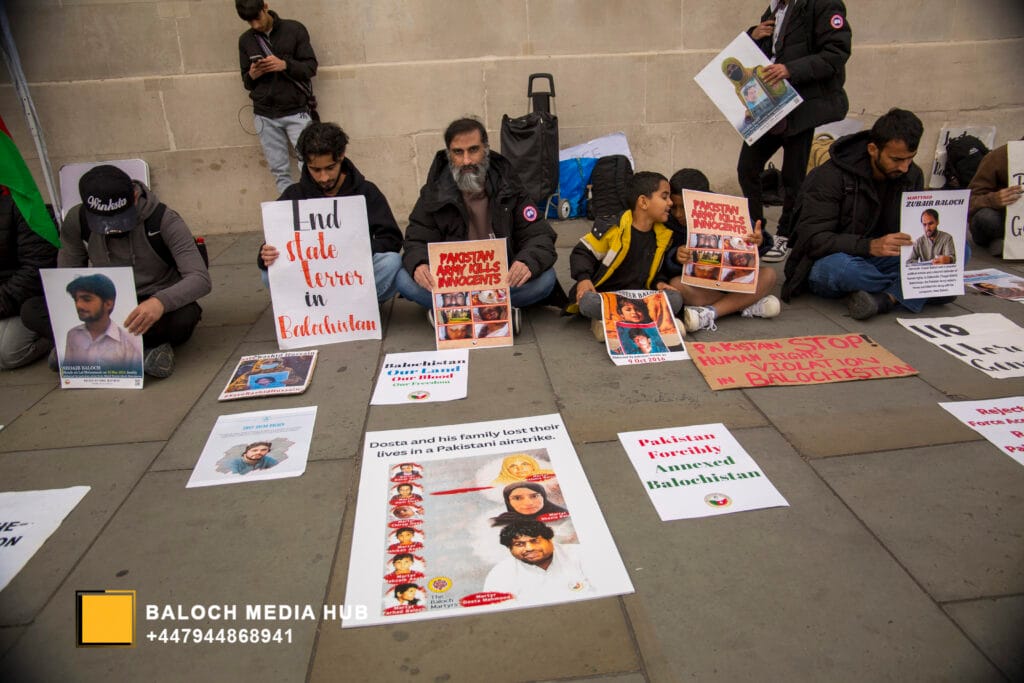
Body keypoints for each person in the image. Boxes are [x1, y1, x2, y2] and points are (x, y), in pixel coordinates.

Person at [782, 108, 966, 319]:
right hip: (832, 260)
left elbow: (913, 235)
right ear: (872, 149)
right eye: (896, 159)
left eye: (910, 159)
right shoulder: (829, 177)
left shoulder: (911, 175)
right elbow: (813, 239)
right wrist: (870, 246)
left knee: (961, 249)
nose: (905, 167)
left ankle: (887, 299)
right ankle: (925, 287)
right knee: (844, 270)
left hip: (884, 259)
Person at [397, 118, 559, 329]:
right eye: (458, 152)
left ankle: (453, 314)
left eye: (473, 150)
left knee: (546, 279)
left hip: (500, 281)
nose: (466, 161)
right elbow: (415, 239)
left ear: (486, 150)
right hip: (453, 286)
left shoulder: (509, 186)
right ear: (449, 155)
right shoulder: (433, 192)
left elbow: (539, 234)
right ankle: (495, 312)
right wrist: (420, 265)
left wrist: (526, 262)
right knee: (403, 278)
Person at [54, 166, 210, 377]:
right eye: (104, 222)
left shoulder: (163, 219)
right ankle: (136, 351)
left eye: (119, 219)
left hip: (153, 301)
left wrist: (160, 302)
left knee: (184, 318)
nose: (113, 229)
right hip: (104, 304)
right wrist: (64, 317)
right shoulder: (77, 220)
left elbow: (199, 278)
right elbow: (66, 274)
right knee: (33, 310)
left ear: (135, 196)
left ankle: (97, 351)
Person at [737, 0, 852, 262]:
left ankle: (785, 235)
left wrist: (791, 70)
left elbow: (837, 53)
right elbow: (764, 54)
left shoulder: (823, 5)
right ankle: (755, 231)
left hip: (802, 104)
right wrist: (752, 35)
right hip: (770, 104)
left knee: (793, 176)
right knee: (747, 167)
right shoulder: (775, 8)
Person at [257, 122, 403, 301]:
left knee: (392, 262)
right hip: (311, 280)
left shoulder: (365, 191)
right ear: (306, 164)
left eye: (330, 168)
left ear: (341, 156)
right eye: (315, 170)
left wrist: (355, 248)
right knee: (268, 274)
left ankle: (362, 308)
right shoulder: (293, 195)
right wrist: (265, 254)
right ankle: (317, 310)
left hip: (353, 274)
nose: (323, 177)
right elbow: (274, 244)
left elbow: (392, 239)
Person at [567, 172, 683, 341]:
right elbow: (582, 252)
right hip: (606, 296)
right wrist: (583, 279)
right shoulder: (613, 229)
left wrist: (660, 283)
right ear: (643, 202)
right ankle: (644, 322)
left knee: (676, 298)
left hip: (639, 299)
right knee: (587, 302)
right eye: (664, 197)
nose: (670, 203)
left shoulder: (662, 236)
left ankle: (609, 323)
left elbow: (657, 270)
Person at [663, 169, 781, 332]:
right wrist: (676, 257)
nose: (678, 214)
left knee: (769, 275)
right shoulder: (667, 219)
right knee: (676, 285)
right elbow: (661, 260)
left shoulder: (726, 209)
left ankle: (712, 312)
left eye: (684, 208)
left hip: (734, 281)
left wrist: (757, 242)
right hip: (700, 285)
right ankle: (744, 305)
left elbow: (752, 251)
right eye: (674, 207)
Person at [236, 0, 318, 192]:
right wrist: (252, 75)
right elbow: (246, 81)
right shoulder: (245, 40)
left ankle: (312, 209)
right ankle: (289, 212)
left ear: (265, 7)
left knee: (308, 164)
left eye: (256, 18)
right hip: (265, 114)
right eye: (249, 22)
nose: (255, 25)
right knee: (279, 171)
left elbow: (311, 67)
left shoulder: (294, 29)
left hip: (296, 110)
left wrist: (285, 65)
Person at [0, 194, 56, 369]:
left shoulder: (23, 208)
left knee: (8, 353)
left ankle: (52, 336)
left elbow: (35, 270)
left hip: (21, 301)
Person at [483, 521, 592, 602]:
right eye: (519, 544)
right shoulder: (500, 573)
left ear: (549, 540)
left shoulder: (581, 554)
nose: (529, 548)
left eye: (535, 541)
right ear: (510, 549)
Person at [61, 274, 143, 370]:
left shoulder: (127, 341)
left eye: (86, 299)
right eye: (76, 300)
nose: (79, 305)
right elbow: (69, 373)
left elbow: (133, 376)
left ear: (108, 304)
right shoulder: (73, 335)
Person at [967, 142, 1024, 257]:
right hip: (1004, 222)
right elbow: (968, 202)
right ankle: (1002, 242)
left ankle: (1004, 245)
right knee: (985, 217)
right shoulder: (1000, 155)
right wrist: (993, 199)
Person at [490, 482, 568, 526]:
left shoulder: (564, 517)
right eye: (517, 498)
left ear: (543, 497)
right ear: (508, 501)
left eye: (534, 496)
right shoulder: (504, 521)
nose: (528, 503)